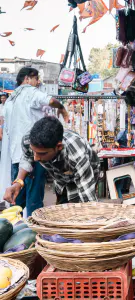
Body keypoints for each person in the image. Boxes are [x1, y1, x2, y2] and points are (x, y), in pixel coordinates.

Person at [2, 67, 69, 216]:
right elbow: (50, 100)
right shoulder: (29, 92)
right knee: (34, 200)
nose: (38, 82)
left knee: (17, 199)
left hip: (16, 155)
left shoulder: (10, 100)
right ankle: (33, 233)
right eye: (36, 79)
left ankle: (13, 231)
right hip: (35, 153)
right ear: (27, 79)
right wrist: (62, 108)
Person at [4, 117, 100, 205]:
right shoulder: (28, 140)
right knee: (62, 211)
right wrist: (18, 182)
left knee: (81, 210)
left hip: (85, 173)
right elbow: (27, 157)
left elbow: (88, 200)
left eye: (42, 153)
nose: (36, 158)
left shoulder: (77, 155)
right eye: (34, 151)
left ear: (58, 147)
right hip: (61, 180)